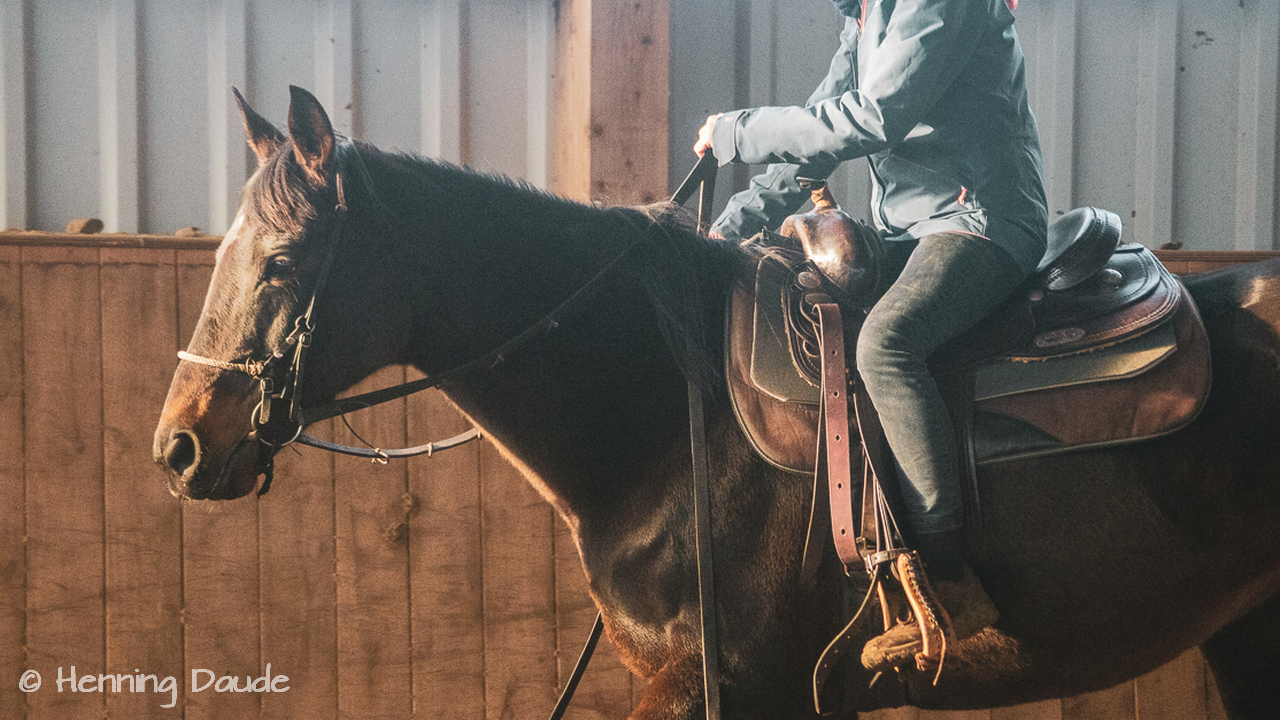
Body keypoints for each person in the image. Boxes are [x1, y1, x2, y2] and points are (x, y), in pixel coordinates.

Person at [694, 0, 1048, 671]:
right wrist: (726, 228)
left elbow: (876, 115)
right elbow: (819, 137)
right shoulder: (864, 15)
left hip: (981, 222)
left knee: (887, 346)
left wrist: (738, 130)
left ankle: (948, 577)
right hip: (907, 231)